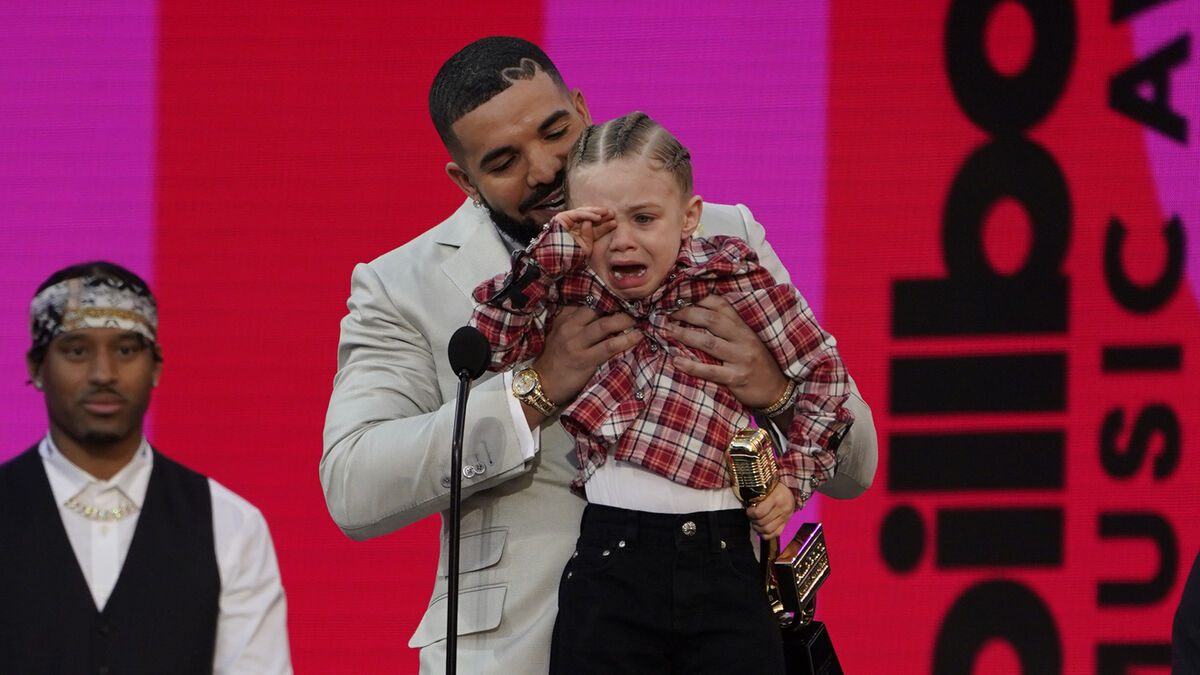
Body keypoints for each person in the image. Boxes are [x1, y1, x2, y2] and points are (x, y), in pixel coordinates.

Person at [321, 36, 877, 674]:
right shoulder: (401, 284)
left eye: (555, 131)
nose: (544, 169)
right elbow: (354, 485)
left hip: (715, 635)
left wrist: (772, 389)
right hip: (518, 654)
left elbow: (856, 466)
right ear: (465, 180)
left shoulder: (724, 237)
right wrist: (533, 391)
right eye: (503, 161)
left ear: (583, 110)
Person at [471, 111, 854, 672]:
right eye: (600, 224)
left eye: (644, 218)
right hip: (610, 561)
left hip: (725, 558)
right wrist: (551, 257)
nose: (622, 242)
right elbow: (490, 343)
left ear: (689, 216)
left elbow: (826, 375)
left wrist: (793, 482)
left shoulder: (732, 277)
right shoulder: (568, 288)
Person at [0, 261, 292, 675]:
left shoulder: (230, 523)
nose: (104, 374)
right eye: (77, 351)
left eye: (126, 350)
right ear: (36, 368)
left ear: (155, 366)